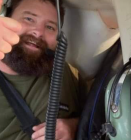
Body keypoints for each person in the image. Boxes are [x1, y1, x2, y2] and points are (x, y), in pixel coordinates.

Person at [0, 0, 80, 139]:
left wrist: (73, 126)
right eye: (29, 19)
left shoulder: (63, 71)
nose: (38, 32)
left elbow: (96, 114)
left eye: (50, 27)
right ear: (7, 19)